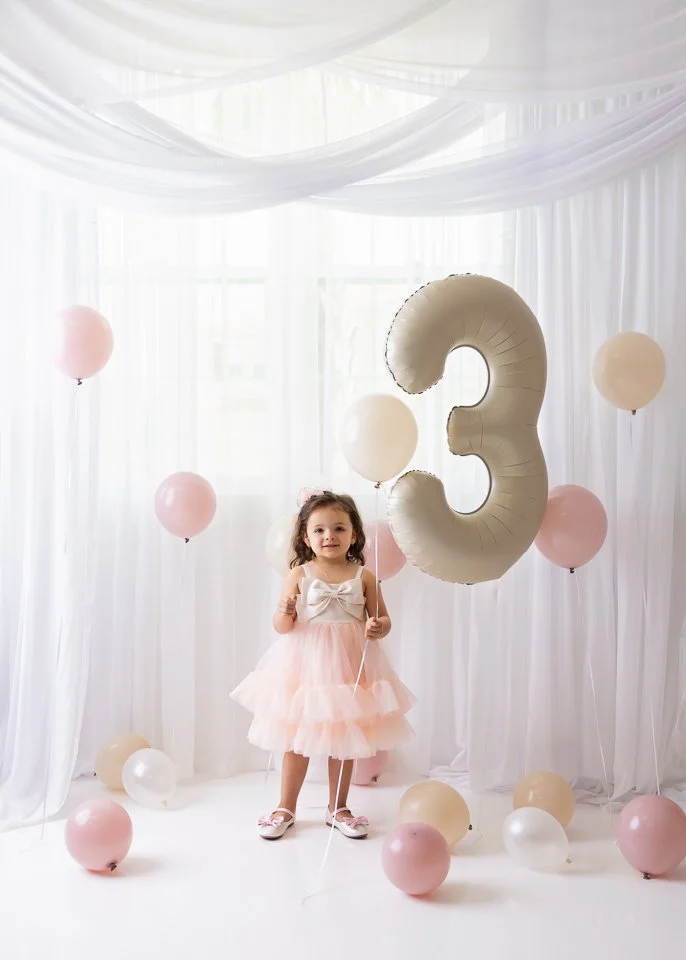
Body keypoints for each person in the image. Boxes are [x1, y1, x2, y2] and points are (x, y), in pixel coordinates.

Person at [231, 490, 414, 840]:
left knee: (344, 735)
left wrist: (377, 627)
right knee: (297, 737)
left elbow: (382, 620)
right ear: (305, 537)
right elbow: (283, 626)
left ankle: (338, 806)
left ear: (354, 535)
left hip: (350, 664)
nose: (329, 536)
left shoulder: (364, 576)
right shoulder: (300, 573)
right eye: (319, 530)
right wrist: (285, 611)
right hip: (307, 664)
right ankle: (286, 806)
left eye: (339, 528)